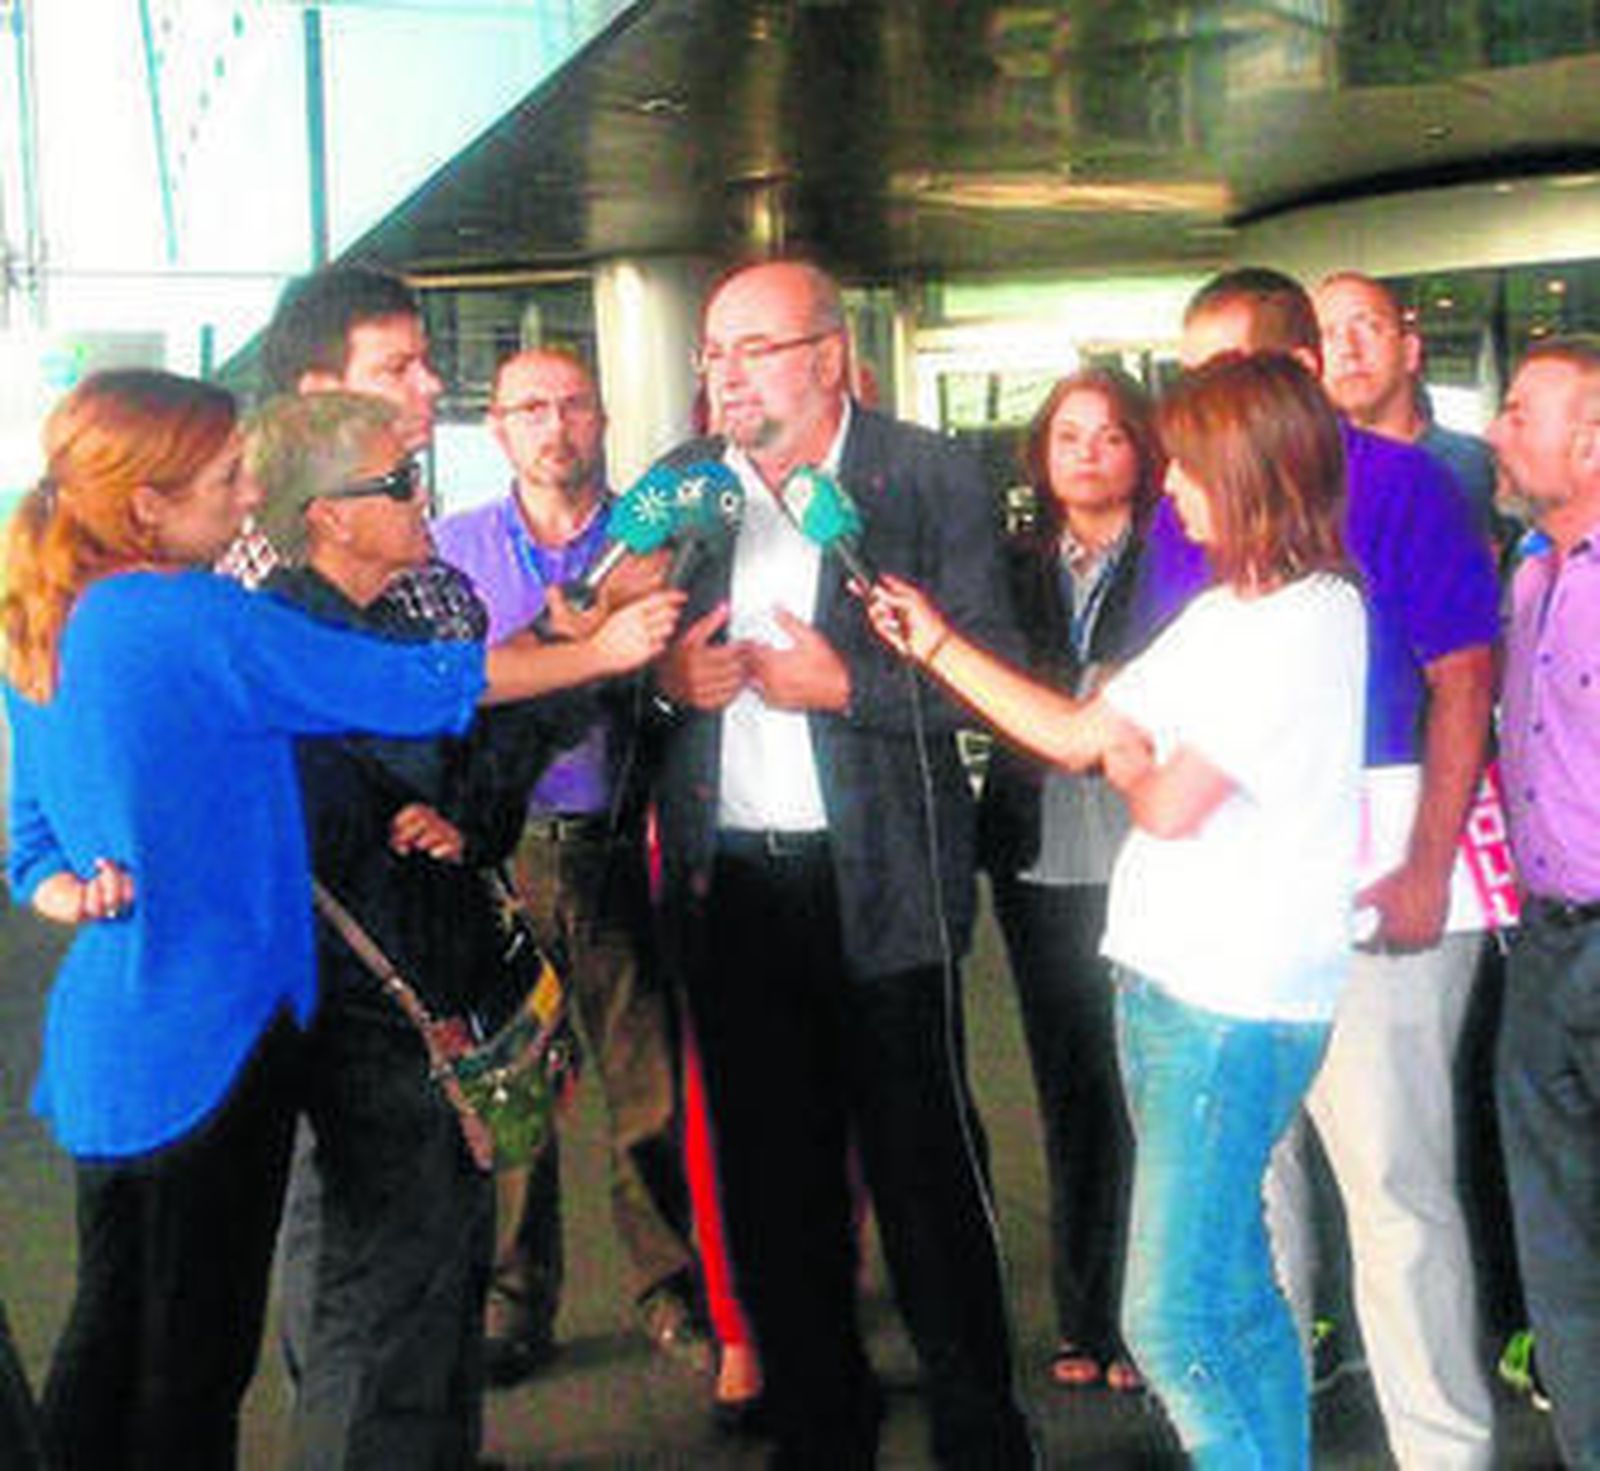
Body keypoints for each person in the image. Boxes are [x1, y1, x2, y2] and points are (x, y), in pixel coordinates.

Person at [0, 369, 672, 1470]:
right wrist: (599, 651)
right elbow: (406, 686)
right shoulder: (188, 610)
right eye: (224, 480)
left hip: (108, 1037)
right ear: (148, 506)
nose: (243, 500)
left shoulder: (44, 619)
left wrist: (76, 890)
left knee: (110, 1332)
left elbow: (34, 841)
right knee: (195, 1360)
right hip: (213, 1040)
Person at [870, 350, 1368, 1468]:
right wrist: (937, 642)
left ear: (1250, 473)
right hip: (1174, 992)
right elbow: (1074, 732)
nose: (1173, 490)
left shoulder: (1308, 616)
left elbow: (1174, 797)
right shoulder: (1232, 612)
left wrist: (1136, 765)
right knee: (1229, 1288)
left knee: (1172, 1315)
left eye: (1189, 468)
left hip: (1227, 1009)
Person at [649, 258, 1032, 1468]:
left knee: (926, 1178)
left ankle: (980, 1429)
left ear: (825, 356)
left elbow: (991, 678)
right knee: (775, 1187)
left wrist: (845, 688)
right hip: (733, 885)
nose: (723, 373)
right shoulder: (682, 490)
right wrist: (666, 683)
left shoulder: (925, 476)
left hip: (881, 883)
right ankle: (822, 1428)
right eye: (713, 350)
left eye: (751, 348)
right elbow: (620, 643)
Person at [1134, 267, 1501, 1469]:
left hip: (1375, 877)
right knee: (1245, 1206)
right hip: (1229, 920)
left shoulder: (1399, 484)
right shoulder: (1185, 510)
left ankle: (1441, 1448)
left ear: (1293, 373)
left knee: (1393, 1189)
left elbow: (1462, 680)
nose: (1204, 399)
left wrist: (1424, 866)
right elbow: (1155, 709)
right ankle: (1258, 1436)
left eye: (1228, 368)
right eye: (1189, 374)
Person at [247, 390, 609, 1467]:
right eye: (398, 479)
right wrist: (563, 666)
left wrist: (471, 787)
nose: (423, 493)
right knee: (377, 1296)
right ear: (328, 513)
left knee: (444, 1272)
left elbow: (477, 801)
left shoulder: (426, 606)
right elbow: (401, 800)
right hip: (365, 1011)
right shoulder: (287, 635)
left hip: (439, 988)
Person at [431, 347, 710, 1386]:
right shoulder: (450, 551)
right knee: (515, 1094)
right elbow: (446, 697)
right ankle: (513, 1301)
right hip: (500, 862)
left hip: (625, 846)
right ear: (497, 428)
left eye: (574, 405)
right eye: (530, 408)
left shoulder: (663, 539)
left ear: (602, 418)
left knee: (651, 1087)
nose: (556, 425)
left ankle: (667, 1287)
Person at [976, 367, 1158, 1395]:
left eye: (1109, 435)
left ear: (1142, 449)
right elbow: (995, 682)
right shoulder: (1009, 565)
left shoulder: (1175, 557)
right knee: (1067, 1086)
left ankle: (1142, 1315)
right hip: (1039, 849)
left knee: (1143, 1082)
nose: (1087, 453)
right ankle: (1083, 1311)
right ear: (1043, 457)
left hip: (1148, 847)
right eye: (1068, 437)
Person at [1486, 336, 1600, 1468]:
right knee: (1557, 1243)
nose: (1495, 431)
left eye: (1520, 411)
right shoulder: (1527, 573)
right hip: (1541, 945)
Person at [1315, 271, 1498, 539]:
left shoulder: (1471, 465)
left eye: (1370, 327)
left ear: (1409, 352)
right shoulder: (1302, 476)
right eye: (1327, 335)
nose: (1349, 349)